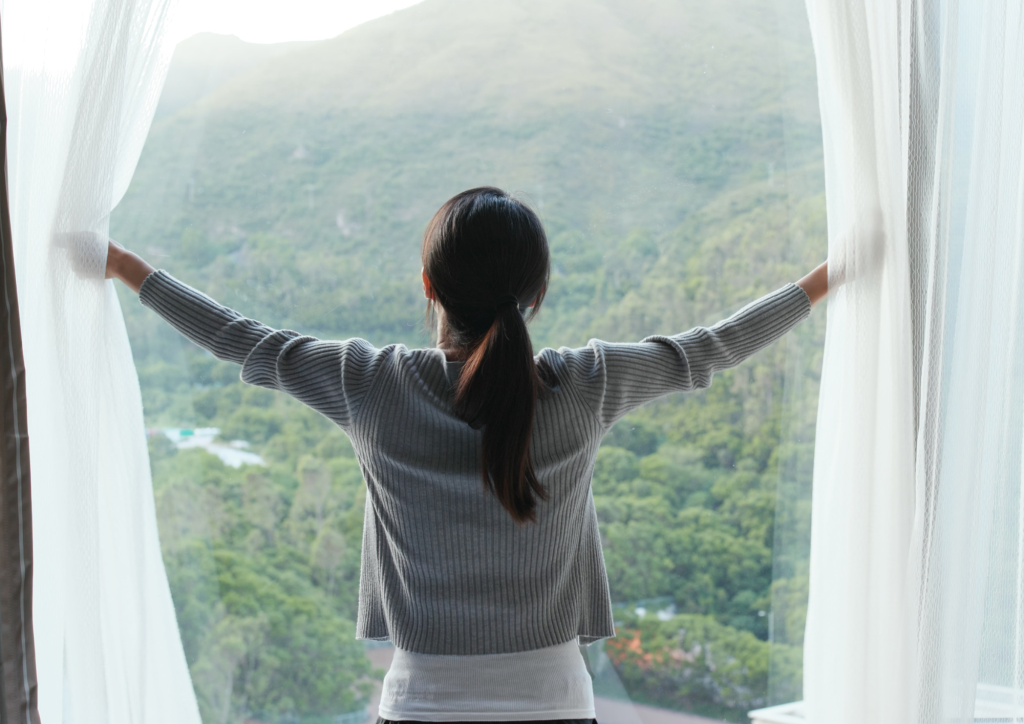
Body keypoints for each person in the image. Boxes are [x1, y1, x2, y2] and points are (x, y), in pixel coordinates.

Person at [106, 186, 828, 724]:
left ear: (429, 287)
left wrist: (129, 268)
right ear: (536, 295)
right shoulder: (588, 386)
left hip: (421, 703)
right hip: (555, 702)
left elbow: (246, 341)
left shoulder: (371, 384)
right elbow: (711, 349)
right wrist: (822, 280)